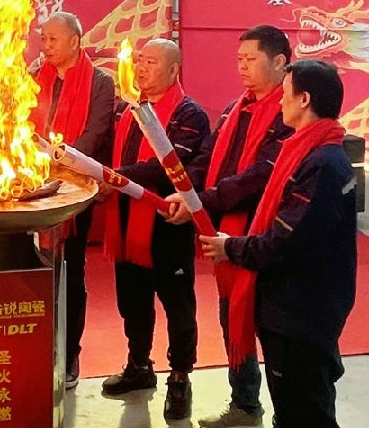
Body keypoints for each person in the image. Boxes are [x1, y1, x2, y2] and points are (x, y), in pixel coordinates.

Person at [201, 60, 356, 428]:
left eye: (286, 94)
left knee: (304, 411)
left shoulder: (321, 163)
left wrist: (231, 248)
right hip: (297, 306)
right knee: (296, 407)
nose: (280, 101)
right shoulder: (307, 151)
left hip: (299, 312)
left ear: (304, 99)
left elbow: (287, 241)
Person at [165, 25, 293, 427]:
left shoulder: (288, 114)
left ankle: (290, 412)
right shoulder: (235, 109)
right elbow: (206, 157)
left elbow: (259, 177)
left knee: (273, 330)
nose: (242, 67)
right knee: (231, 317)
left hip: (267, 234)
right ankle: (245, 404)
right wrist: (187, 195)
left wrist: (201, 201)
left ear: (280, 62)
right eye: (239, 59)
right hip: (228, 236)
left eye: (251, 59)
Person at [98, 38, 209, 421]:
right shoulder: (129, 108)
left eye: (151, 62)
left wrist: (111, 177)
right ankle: (139, 366)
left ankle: (180, 377)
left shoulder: (189, 114)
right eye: (140, 61)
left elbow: (165, 166)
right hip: (126, 222)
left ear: (173, 69)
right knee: (132, 302)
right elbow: (113, 153)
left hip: (166, 224)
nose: (141, 68)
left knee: (178, 305)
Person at [30, 12, 115, 388]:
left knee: (71, 273)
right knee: (35, 271)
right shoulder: (36, 76)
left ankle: (69, 352)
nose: (46, 46)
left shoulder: (100, 82)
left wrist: (59, 162)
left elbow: (96, 133)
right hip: (32, 186)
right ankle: (36, 346)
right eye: (43, 39)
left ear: (75, 42)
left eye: (53, 39)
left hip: (74, 189)